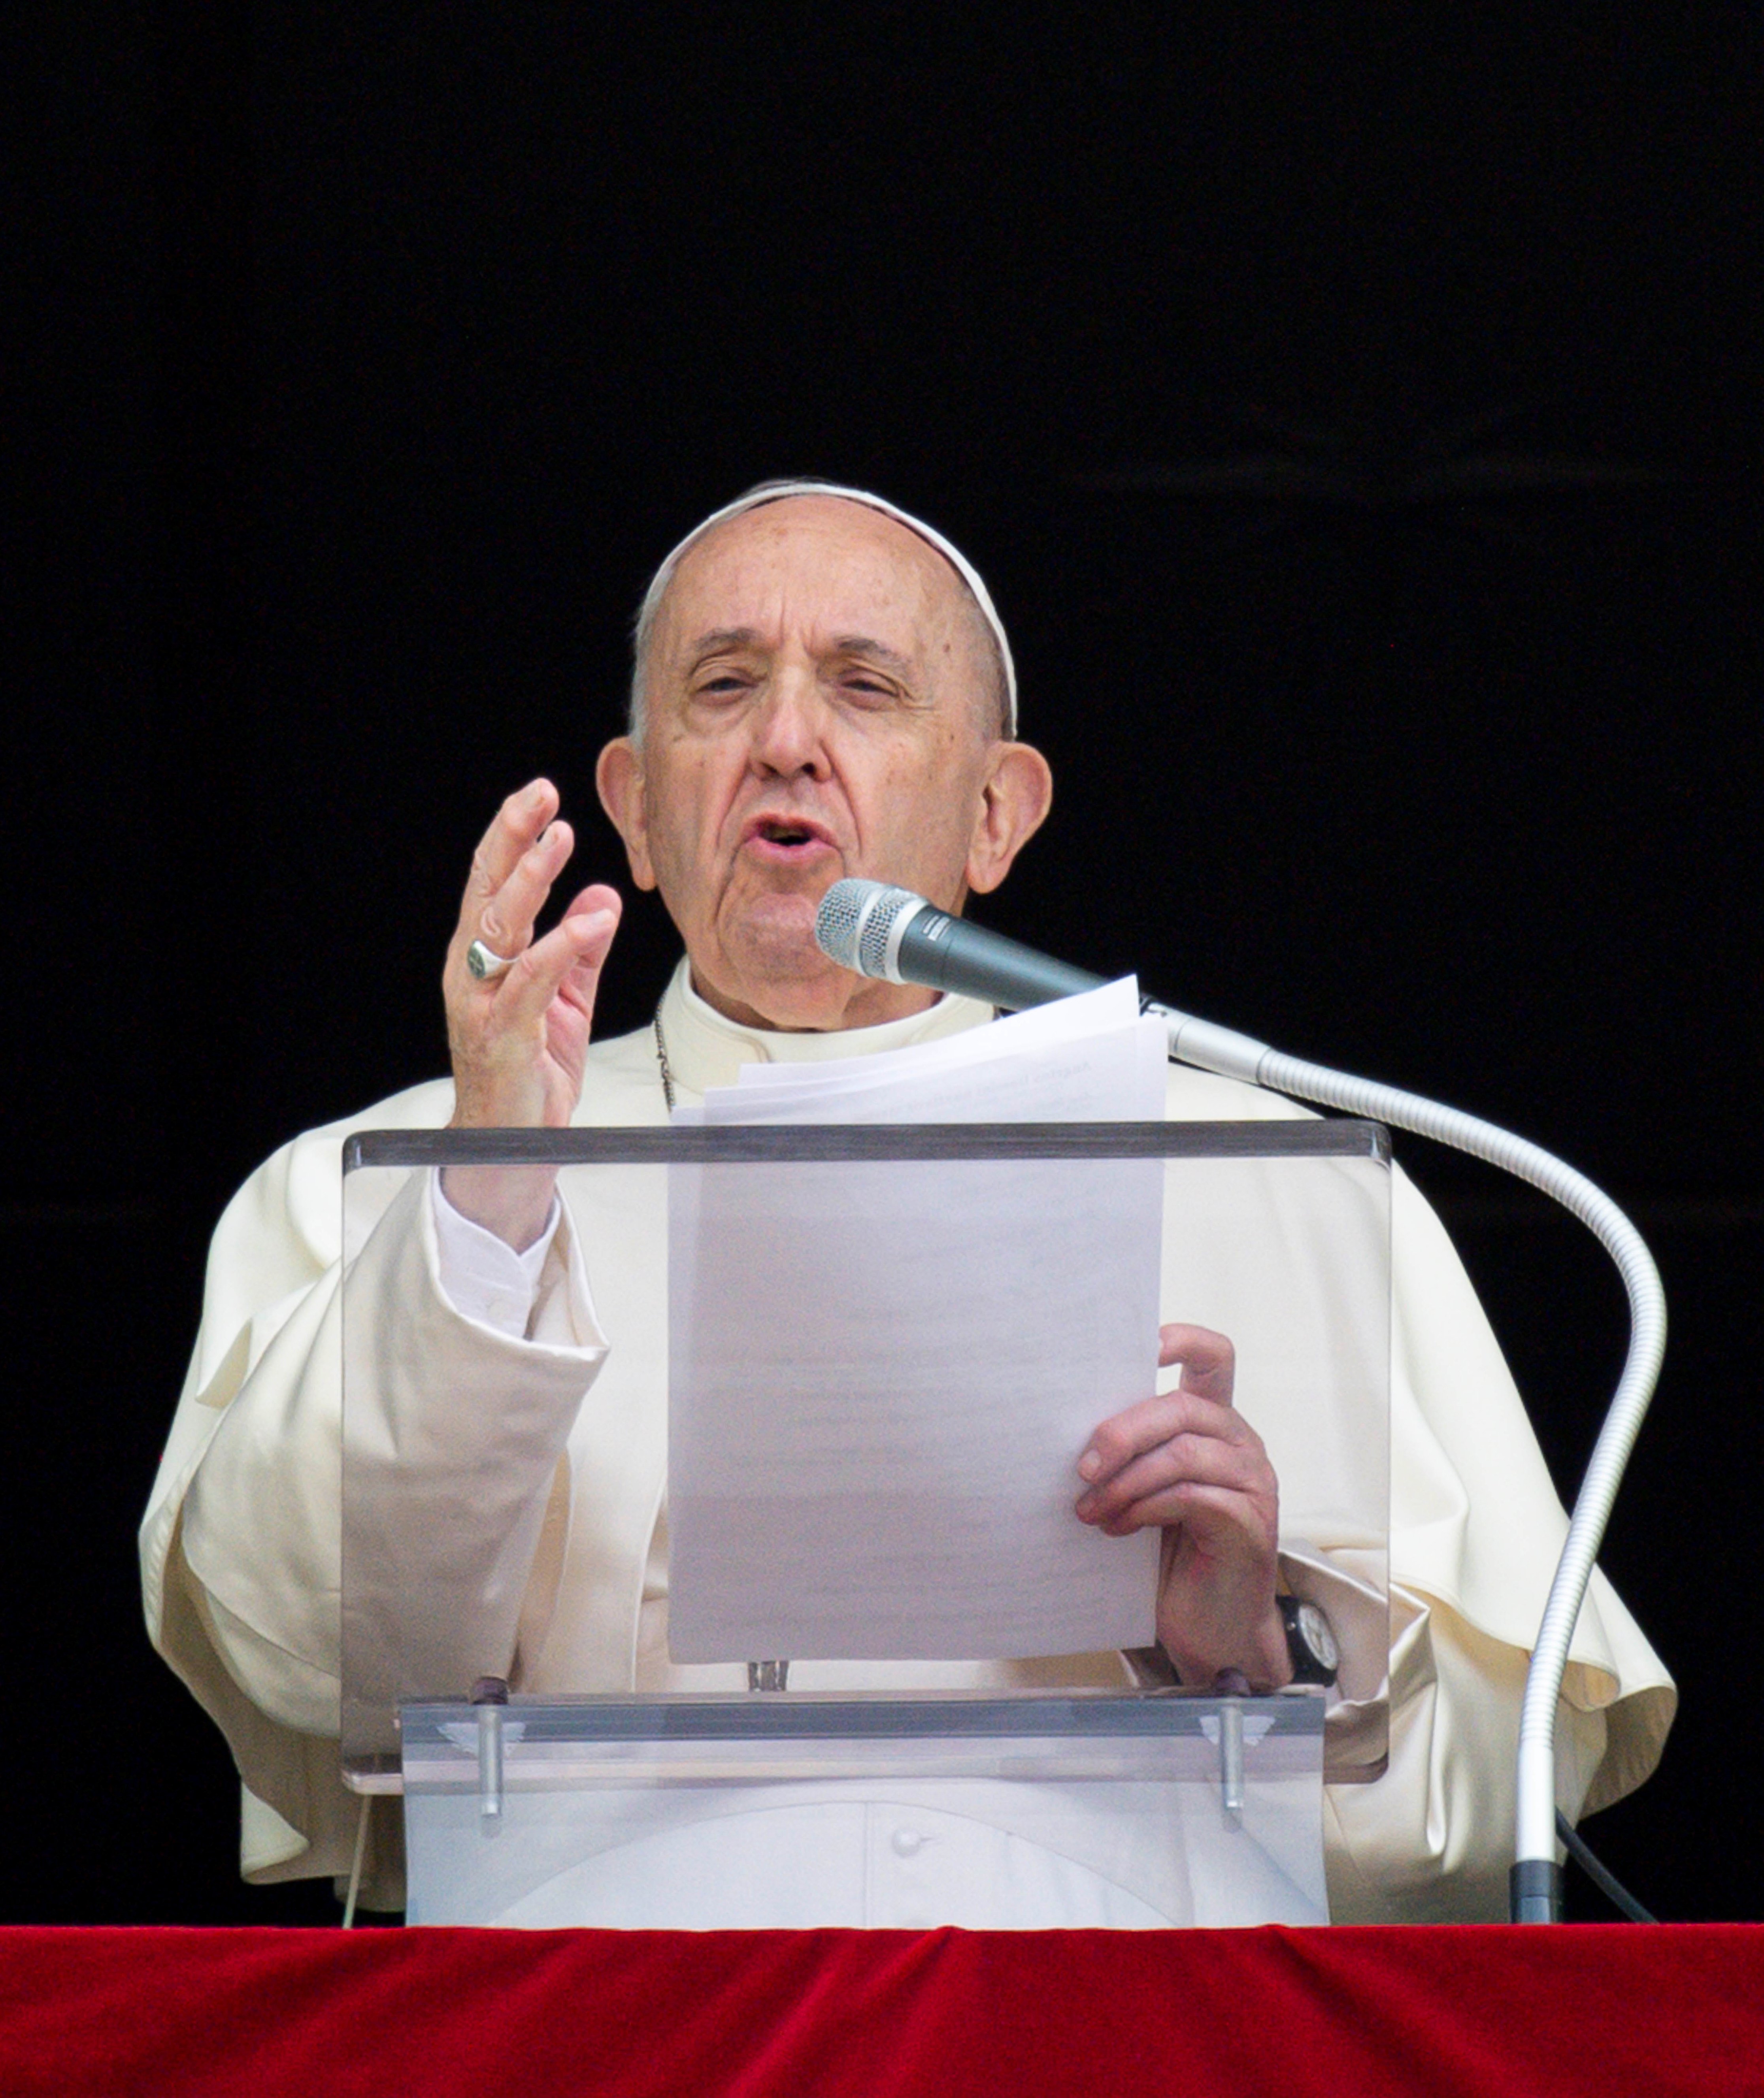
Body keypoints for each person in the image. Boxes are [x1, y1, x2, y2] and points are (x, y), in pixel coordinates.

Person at [143, 481, 1673, 1922]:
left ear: (998, 814)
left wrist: (1264, 1644)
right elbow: (300, 1659)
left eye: (867, 689)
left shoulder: (1268, 1172)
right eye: (725, 686)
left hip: (1114, 2020)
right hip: (606, 2015)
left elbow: (1513, 1773)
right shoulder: (398, 1171)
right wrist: (485, 1211)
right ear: (637, 810)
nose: (791, 741)